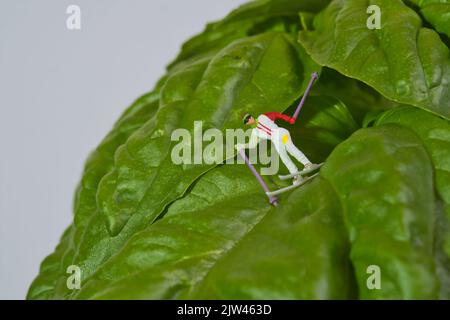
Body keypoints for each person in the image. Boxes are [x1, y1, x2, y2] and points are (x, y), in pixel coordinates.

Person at [237, 112, 318, 185]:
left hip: (282, 134)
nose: (249, 119)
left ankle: (308, 164)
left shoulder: (262, 117)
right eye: (246, 120)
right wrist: (241, 145)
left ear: (251, 116)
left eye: (249, 117)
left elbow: (276, 114)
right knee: (284, 157)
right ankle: (296, 176)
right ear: (246, 123)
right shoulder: (255, 132)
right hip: (276, 140)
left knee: (292, 149)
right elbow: (252, 144)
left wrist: (288, 119)